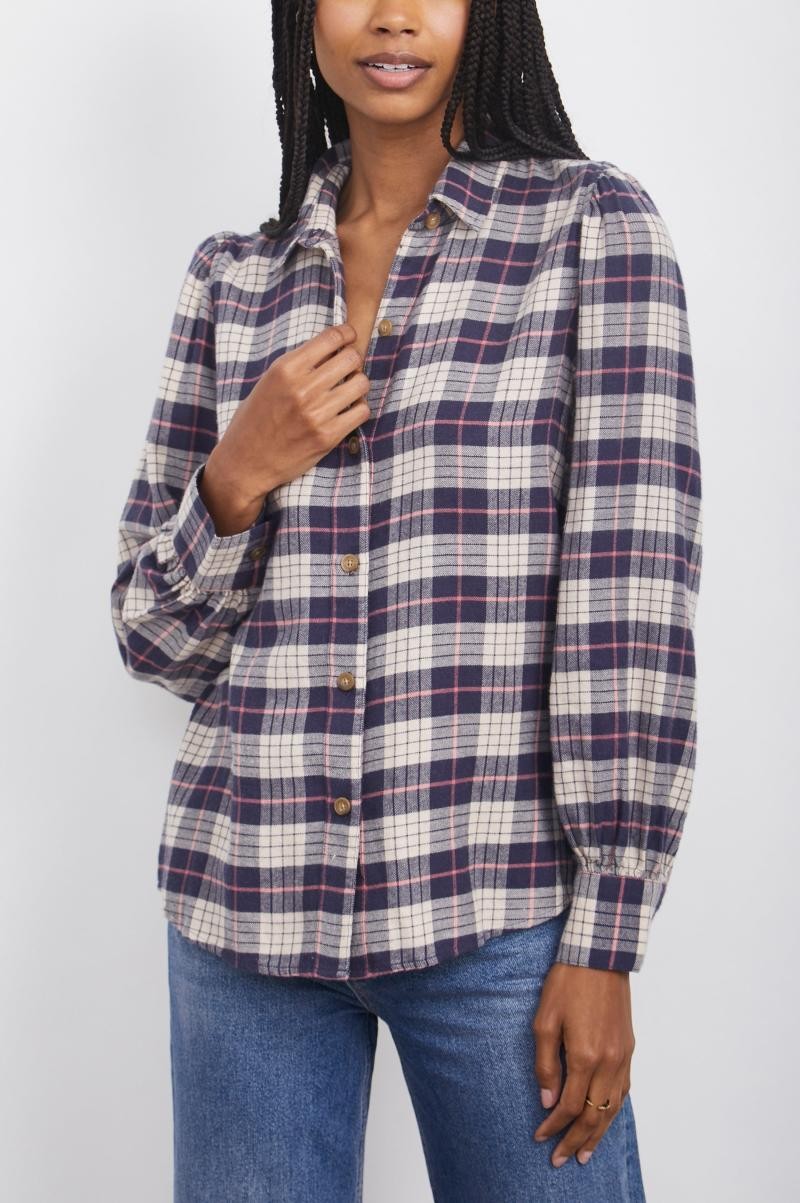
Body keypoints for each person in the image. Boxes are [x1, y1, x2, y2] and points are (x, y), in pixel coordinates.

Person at [110, 0, 702, 1199]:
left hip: (495, 913)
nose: (392, 15)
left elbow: (628, 602)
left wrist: (606, 934)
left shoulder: (589, 231)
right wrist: (236, 475)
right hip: (243, 912)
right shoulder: (233, 278)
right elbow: (156, 643)